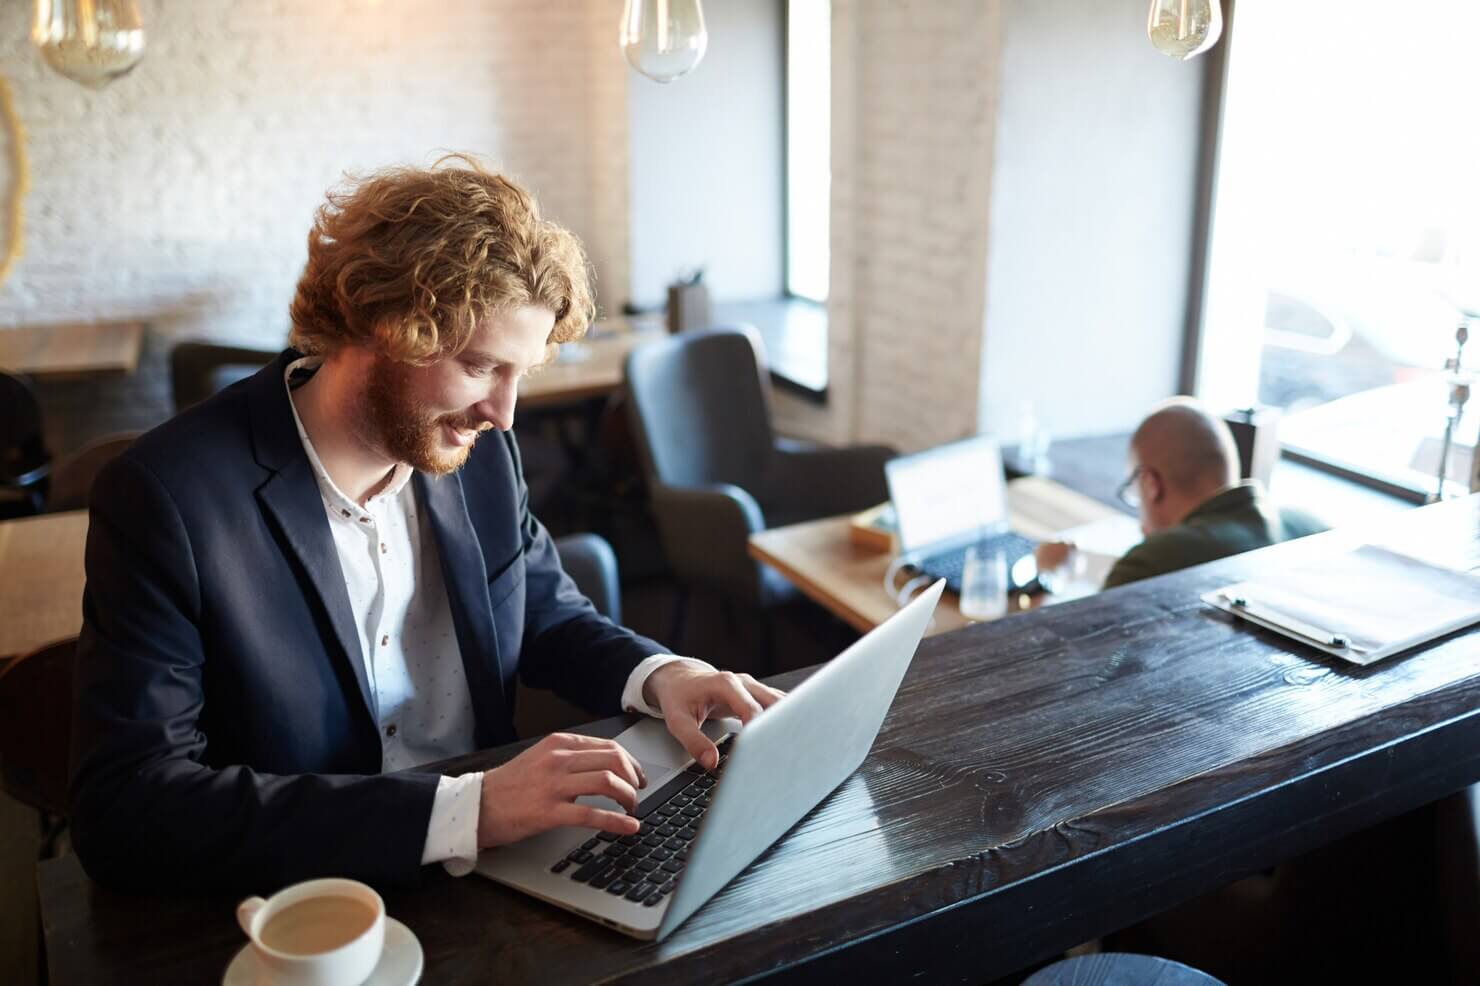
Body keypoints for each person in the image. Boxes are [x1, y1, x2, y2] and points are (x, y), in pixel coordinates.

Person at [69, 158, 782, 894]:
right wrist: (466, 811)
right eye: (479, 367)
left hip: (490, 864)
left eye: (519, 374)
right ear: (380, 325)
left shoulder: (479, 450)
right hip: (299, 899)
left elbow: (542, 608)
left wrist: (663, 675)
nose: (504, 414)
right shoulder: (167, 496)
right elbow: (127, 805)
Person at [1035, 398, 1326, 589]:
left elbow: (1072, 654)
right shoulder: (1313, 528)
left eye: (1135, 489)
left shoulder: (1151, 563)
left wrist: (1053, 576)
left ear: (1150, 483)